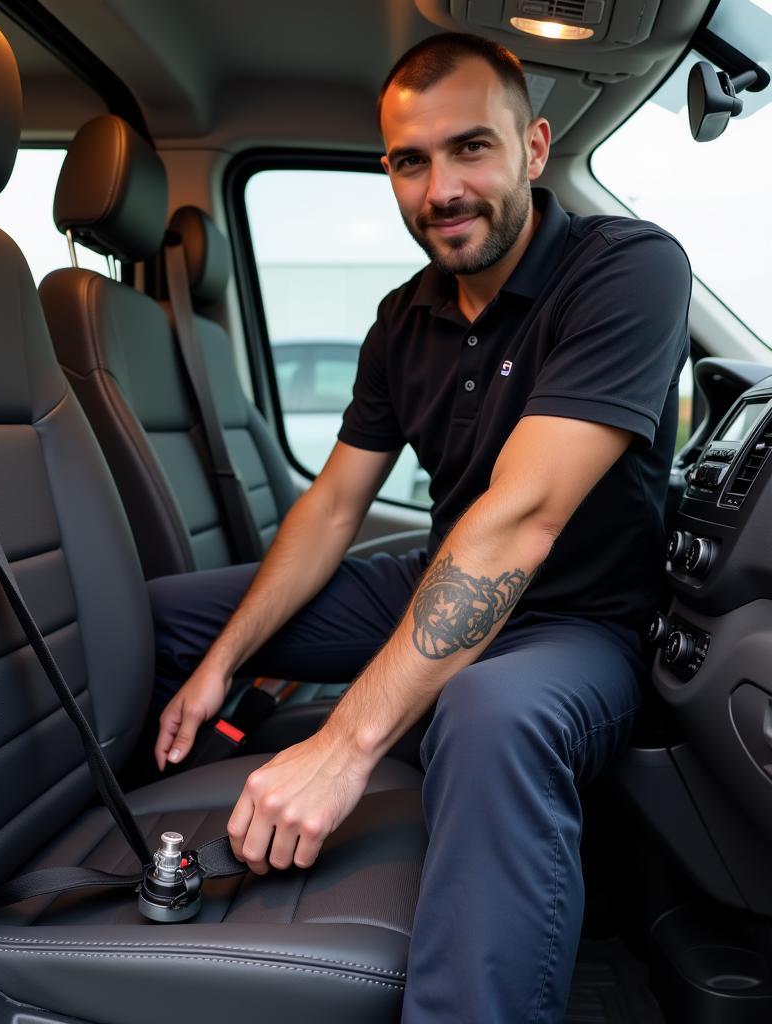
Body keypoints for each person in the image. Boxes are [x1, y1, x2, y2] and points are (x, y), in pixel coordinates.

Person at [148, 32, 691, 1023]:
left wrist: (345, 745)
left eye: (469, 149)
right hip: (435, 580)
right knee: (163, 620)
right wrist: (230, 659)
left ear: (531, 148)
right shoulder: (404, 317)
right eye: (409, 160)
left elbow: (522, 518)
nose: (440, 188)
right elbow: (332, 505)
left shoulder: (627, 270)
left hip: (572, 625)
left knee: (491, 711)